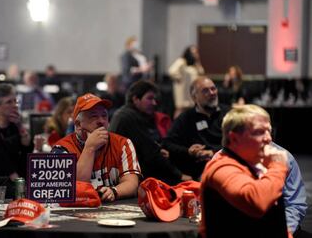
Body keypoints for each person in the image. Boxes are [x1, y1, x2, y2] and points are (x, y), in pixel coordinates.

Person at [200, 104, 291, 238]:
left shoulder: (260, 164)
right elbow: (256, 202)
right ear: (234, 138)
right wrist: (277, 167)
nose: (269, 139)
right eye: (259, 132)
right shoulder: (221, 167)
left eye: (269, 131)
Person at [51, 93, 141, 202]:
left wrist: (114, 191)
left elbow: (132, 184)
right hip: (76, 213)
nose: (101, 121)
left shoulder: (123, 144)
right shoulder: (62, 149)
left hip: (112, 213)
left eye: (104, 116)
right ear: (78, 125)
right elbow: (70, 190)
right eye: (93, 116)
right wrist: (90, 148)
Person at [109, 80, 189, 185]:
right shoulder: (129, 117)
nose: (154, 103)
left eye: (154, 99)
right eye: (149, 98)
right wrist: (180, 175)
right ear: (136, 99)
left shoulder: (125, 113)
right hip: (124, 176)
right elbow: (151, 152)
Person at [163, 76, 229, 180]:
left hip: (225, 164)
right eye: (205, 91)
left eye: (213, 88)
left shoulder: (228, 114)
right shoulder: (185, 118)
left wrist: (213, 152)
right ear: (194, 97)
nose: (212, 93)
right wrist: (188, 151)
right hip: (197, 170)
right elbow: (168, 143)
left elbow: (239, 142)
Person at [168, 45, 205, 118]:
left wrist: (198, 61)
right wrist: (178, 78)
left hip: (192, 90)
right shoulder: (182, 61)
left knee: (192, 108)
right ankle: (176, 127)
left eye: (196, 52)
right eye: (193, 52)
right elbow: (171, 71)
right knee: (181, 109)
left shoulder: (194, 64)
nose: (195, 54)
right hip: (182, 89)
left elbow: (201, 73)